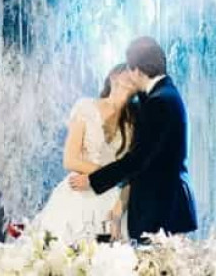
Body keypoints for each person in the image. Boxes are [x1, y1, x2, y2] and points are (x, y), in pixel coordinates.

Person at [69, 37, 198, 241]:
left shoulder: (159, 102)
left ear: (137, 70)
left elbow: (137, 160)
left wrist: (93, 180)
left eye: (130, 70)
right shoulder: (165, 94)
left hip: (162, 208)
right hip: (165, 204)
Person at [32, 64, 137, 243]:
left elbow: (132, 173)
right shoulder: (86, 108)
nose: (129, 82)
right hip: (79, 191)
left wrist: (119, 207)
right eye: (126, 76)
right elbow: (70, 160)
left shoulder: (134, 122)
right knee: (64, 249)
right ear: (113, 78)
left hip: (113, 200)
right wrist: (106, 174)